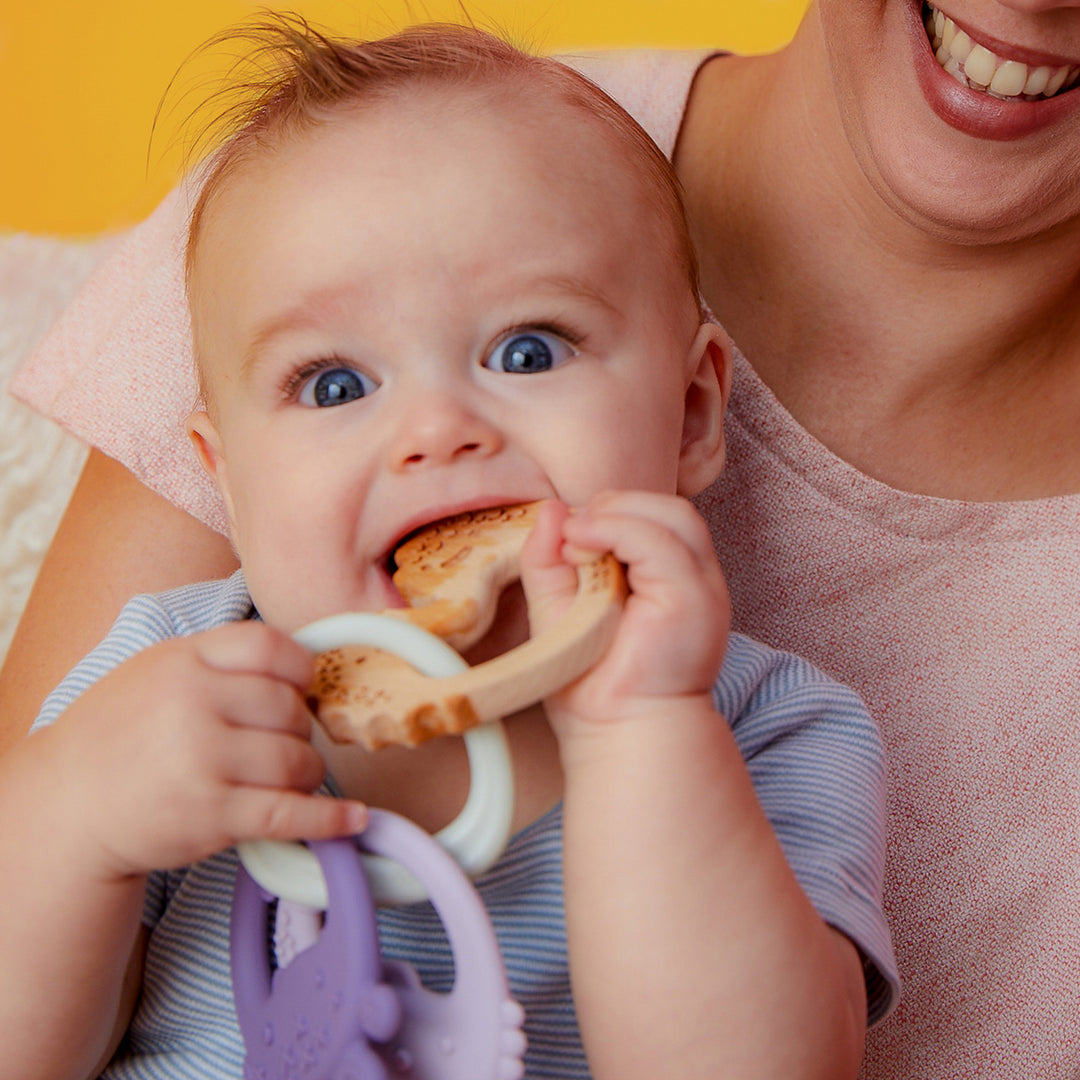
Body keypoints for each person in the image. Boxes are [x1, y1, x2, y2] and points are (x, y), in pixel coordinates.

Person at [4, 0, 1077, 1072]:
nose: (436, 432)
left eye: (527, 353)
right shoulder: (158, 684)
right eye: (335, 384)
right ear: (224, 480)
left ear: (694, 412)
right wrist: (74, 827)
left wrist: (641, 737)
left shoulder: (767, 734)